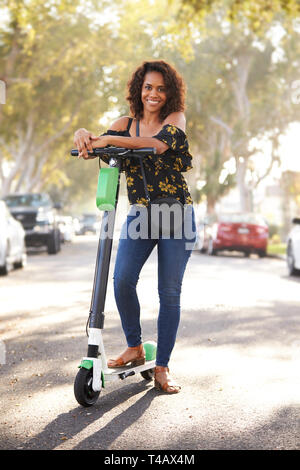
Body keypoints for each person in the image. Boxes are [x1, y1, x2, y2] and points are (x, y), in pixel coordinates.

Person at [74, 60, 196, 394]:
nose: (153, 93)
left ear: (168, 92)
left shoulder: (175, 119)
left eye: (160, 88)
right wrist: (84, 136)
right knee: (122, 279)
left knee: (168, 293)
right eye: (148, 87)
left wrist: (104, 140)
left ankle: (162, 367)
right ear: (138, 90)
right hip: (141, 214)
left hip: (175, 214)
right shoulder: (124, 124)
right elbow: (93, 147)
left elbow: (156, 144)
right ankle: (135, 346)